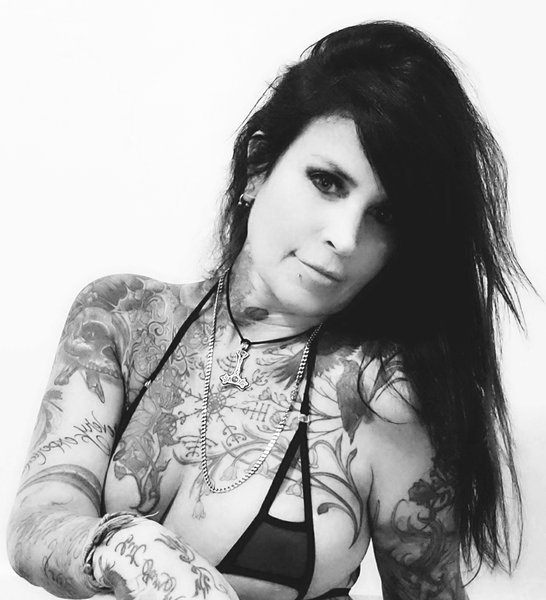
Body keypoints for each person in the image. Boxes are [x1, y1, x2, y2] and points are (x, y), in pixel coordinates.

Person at [7, 20, 526, 600]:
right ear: (259, 166)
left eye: (384, 215)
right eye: (327, 182)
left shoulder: (384, 398)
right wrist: (130, 549)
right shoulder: (123, 318)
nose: (345, 238)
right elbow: (40, 518)